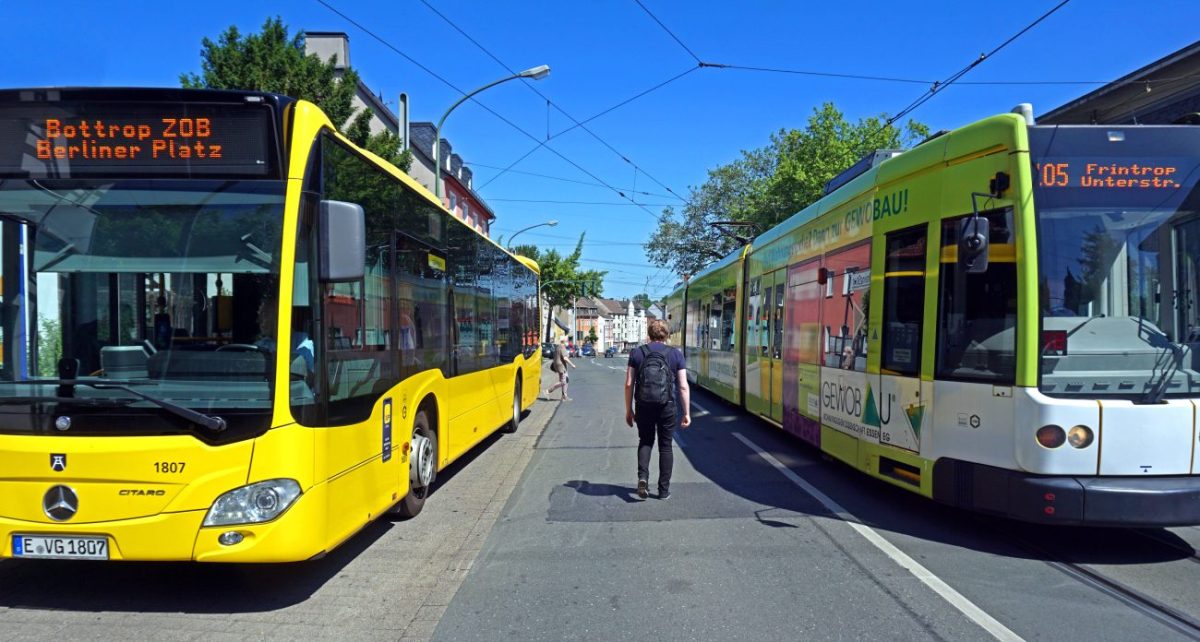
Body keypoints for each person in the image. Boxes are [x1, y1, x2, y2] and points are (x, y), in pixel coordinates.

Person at [624, 318, 691, 500]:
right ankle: (663, 491)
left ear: (649, 334)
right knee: (666, 446)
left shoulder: (637, 353)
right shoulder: (675, 355)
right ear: (667, 335)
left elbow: (629, 384)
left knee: (645, 441)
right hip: (667, 406)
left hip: (643, 405)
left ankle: (643, 478)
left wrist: (629, 410)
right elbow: (683, 386)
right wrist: (686, 412)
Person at [546, 336, 576, 401]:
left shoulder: (558, 347)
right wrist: (572, 365)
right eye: (567, 341)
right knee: (563, 382)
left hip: (558, 366)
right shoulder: (562, 347)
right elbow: (565, 358)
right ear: (564, 341)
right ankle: (548, 390)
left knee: (566, 380)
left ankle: (564, 396)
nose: (568, 342)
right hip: (561, 366)